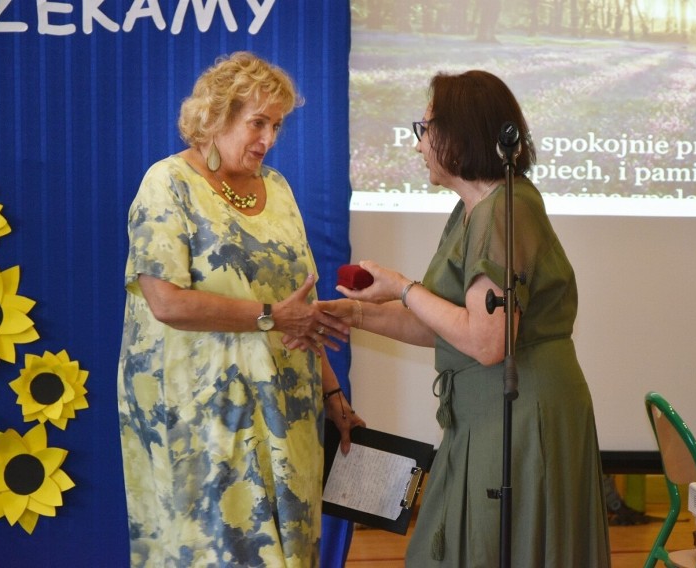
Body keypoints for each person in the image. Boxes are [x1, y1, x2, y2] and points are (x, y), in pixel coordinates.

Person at [314, 70, 611, 566]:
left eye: (424, 129)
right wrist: (359, 313)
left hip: (520, 417)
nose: (419, 146)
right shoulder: (470, 211)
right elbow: (442, 325)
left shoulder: (504, 211)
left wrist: (403, 288)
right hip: (485, 413)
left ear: (459, 133)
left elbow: (486, 341)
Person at [116, 52, 364, 567]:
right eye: (257, 123)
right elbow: (166, 301)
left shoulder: (277, 188)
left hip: (287, 414)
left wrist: (333, 392)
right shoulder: (167, 184)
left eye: (277, 125)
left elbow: (302, 309)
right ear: (216, 115)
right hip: (203, 422)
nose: (268, 139)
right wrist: (270, 315)